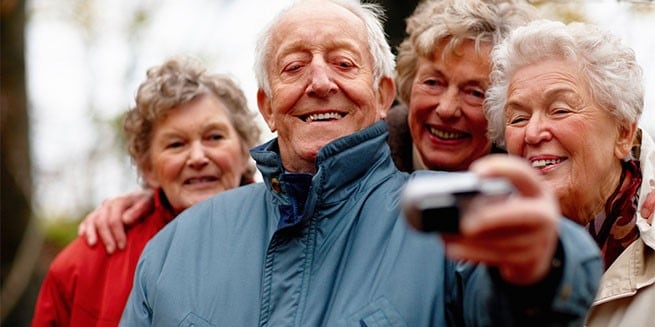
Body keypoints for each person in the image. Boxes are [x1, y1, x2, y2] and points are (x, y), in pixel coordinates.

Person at [120, 1, 602, 325]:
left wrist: (542, 265)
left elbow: (531, 304)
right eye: (294, 66)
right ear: (266, 106)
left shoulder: (450, 229)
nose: (320, 81)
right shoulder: (173, 249)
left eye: (344, 63)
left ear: (382, 95)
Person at [31, 57, 261, 326]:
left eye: (214, 137)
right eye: (176, 144)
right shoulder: (84, 267)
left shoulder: (291, 235)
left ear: (245, 150)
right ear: (148, 167)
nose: (198, 157)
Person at [484, 19, 655, 326]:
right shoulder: (482, 250)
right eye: (518, 118)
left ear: (623, 134)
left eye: (560, 109)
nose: (533, 132)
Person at [388, 0, 536, 172]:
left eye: (475, 93)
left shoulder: (531, 172)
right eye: (433, 83)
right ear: (409, 82)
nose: (446, 109)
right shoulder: (365, 159)